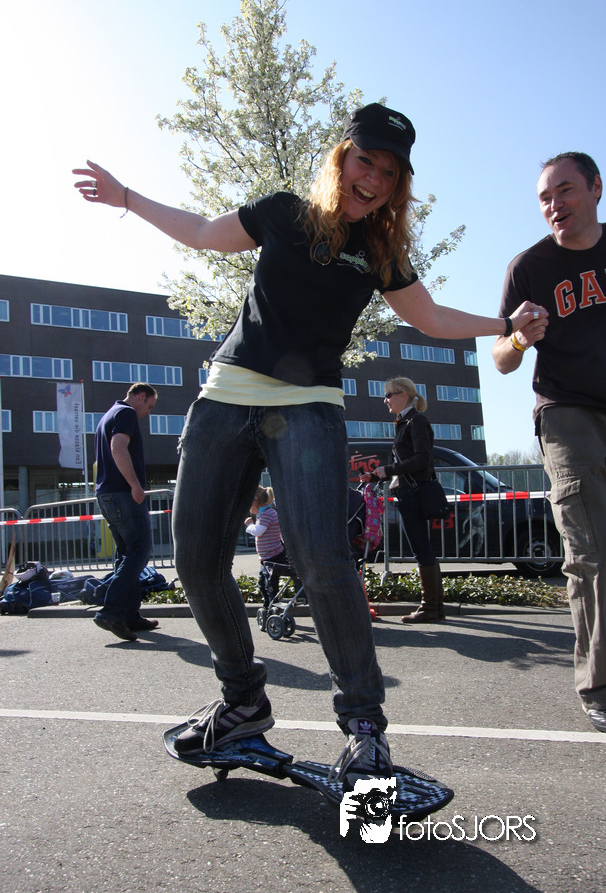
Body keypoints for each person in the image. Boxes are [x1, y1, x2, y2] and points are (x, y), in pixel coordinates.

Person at [73, 102, 541, 789]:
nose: (372, 179)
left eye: (388, 173)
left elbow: (432, 317)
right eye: (364, 161)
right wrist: (126, 198)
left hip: (309, 409)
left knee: (323, 559)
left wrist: (508, 324)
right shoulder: (284, 213)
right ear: (341, 157)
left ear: (398, 184)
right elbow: (201, 233)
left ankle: (365, 731)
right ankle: (242, 704)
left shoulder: (380, 251)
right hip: (226, 398)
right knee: (196, 559)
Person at [493, 151, 606, 738]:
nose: (554, 205)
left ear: (596, 188)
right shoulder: (528, 267)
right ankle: (602, 690)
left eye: (565, 191)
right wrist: (518, 339)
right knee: (592, 551)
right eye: (544, 197)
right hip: (566, 415)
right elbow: (501, 359)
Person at [361, 377, 444, 623]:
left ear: (403, 395)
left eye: (389, 395)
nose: (385, 400)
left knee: (421, 548)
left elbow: (421, 459)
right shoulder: (406, 422)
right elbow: (409, 463)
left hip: (413, 494)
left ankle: (430, 607)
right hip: (410, 491)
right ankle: (436, 607)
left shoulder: (416, 421)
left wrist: (388, 469)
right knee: (423, 548)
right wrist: (377, 475)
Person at [93, 383, 159, 642]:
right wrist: (135, 485)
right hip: (123, 493)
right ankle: (111, 612)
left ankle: (129, 615)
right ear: (140, 396)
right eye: (149, 406)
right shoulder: (127, 413)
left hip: (107, 494)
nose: (148, 413)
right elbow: (118, 447)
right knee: (139, 551)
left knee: (125, 554)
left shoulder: (108, 415)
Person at [244, 486, 288, 612]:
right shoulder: (265, 513)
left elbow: (259, 531)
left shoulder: (267, 514)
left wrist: (249, 525)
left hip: (273, 556)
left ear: (256, 502)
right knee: (263, 584)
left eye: (250, 506)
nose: (251, 511)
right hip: (267, 557)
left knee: (270, 585)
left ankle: (272, 606)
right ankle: (268, 605)